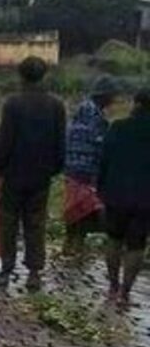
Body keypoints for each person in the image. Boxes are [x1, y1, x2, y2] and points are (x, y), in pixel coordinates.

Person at [0, 57, 67, 291]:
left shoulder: (13, 104)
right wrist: (54, 168)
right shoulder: (56, 105)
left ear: (21, 75)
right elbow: (60, 142)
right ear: (44, 75)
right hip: (41, 174)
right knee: (36, 223)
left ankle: (6, 269)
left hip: (14, 173)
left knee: (8, 222)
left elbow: (5, 139)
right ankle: (34, 272)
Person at [99, 88, 150, 306]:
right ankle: (125, 292)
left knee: (114, 238)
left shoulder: (117, 127)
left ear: (135, 104)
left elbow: (104, 160)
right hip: (145, 198)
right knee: (137, 245)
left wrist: (101, 188)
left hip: (116, 193)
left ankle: (113, 286)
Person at [63, 76, 121, 253]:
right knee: (86, 208)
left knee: (75, 207)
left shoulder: (83, 111)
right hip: (86, 169)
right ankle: (77, 244)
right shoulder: (95, 117)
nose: (113, 101)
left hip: (72, 167)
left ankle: (71, 244)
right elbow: (99, 144)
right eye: (112, 96)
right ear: (105, 96)